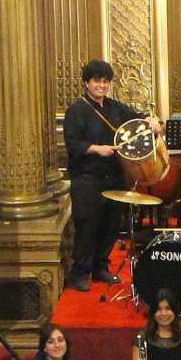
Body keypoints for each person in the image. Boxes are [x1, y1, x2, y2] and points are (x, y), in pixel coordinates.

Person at [62, 59, 162, 292]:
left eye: (106, 81)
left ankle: (101, 268)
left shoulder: (117, 108)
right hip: (87, 177)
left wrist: (151, 119)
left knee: (110, 224)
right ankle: (80, 272)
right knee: (87, 225)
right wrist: (98, 149)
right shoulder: (76, 111)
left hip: (114, 175)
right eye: (97, 81)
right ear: (86, 83)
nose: (102, 85)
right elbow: (73, 144)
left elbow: (138, 119)